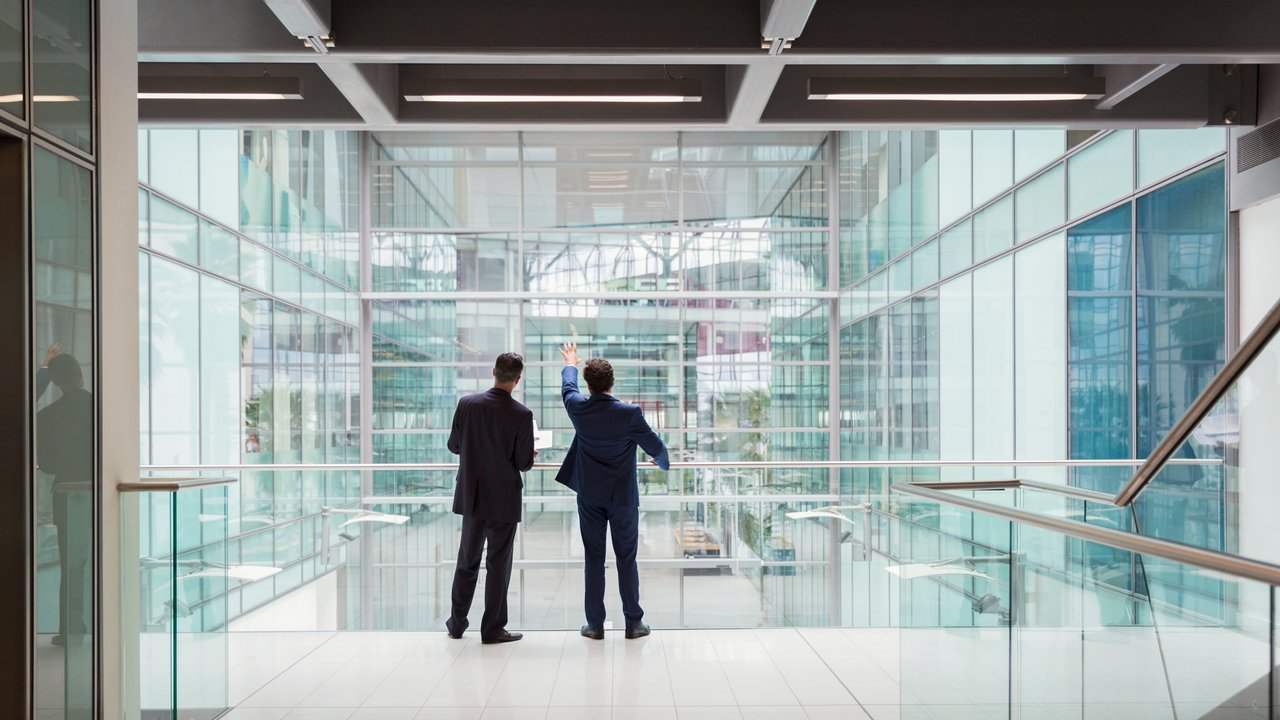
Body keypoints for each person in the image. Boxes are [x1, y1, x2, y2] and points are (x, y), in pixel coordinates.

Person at [555, 342, 669, 640]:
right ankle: (634, 623)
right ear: (612, 381)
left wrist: (570, 363)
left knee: (593, 559)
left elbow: (568, 388)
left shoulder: (578, 408)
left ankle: (595, 625)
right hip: (622, 498)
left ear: (588, 384)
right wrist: (661, 462)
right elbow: (656, 447)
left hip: (589, 496)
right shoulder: (629, 414)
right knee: (626, 559)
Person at [445, 352, 536, 644]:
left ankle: (457, 624)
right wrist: (529, 453)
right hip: (504, 499)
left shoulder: (467, 404)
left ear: (493, 372)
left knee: (467, 561)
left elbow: (454, 445)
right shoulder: (521, 414)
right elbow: (523, 463)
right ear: (517, 380)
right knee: (498, 565)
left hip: (472, 495)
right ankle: (493, 629)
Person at [35, 353, 92, 647]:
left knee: (71, 564)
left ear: (56, 381)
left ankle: (71, 629)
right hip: (99, 494)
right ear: (80, 374)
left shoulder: (46, 416)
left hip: (66, 494)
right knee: (101, 559)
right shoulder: (100, 408)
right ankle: (102, 626)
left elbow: (45, 464)